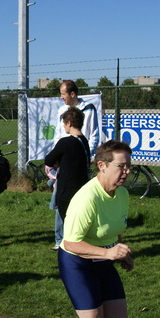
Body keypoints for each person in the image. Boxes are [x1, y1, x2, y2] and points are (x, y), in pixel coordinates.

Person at [50, 140, 134, 318]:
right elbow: (72, 242)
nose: (127, 171)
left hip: (103, 260)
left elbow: (114, 230)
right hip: (77, 262)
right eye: (122, 166)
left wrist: (119, 253)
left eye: (130, 166)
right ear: (102, 165)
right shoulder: (86, 197)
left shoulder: (122, 194)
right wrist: (108, 252)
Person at [48, 80, 101, 250]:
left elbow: (93, 135)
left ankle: (76, 239)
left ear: (72, 94)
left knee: (71, 200)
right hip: (62, 159)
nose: (61, 97)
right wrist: (57, 155)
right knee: (59, 198)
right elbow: (58, 137)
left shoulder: (89, 109)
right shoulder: (62, 111)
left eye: (63, 94)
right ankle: (60, 239)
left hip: (78, 163)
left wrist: (85, 155)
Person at [45, 106, 91, 225]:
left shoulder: (65, 142)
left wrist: (58, 162)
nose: (63, 126)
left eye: (64, 123)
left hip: (67, 191)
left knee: (69, 224)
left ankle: (68, 243)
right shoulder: (84, 141)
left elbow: (49, 160)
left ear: (69, 123)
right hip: (82, 188)